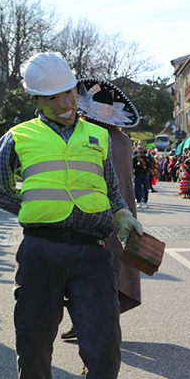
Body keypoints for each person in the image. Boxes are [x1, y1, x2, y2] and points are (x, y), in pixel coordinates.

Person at [0, 52, 141, 379]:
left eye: (69, 92)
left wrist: (121, 210)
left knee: (103, 343)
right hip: (41, 250)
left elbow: (110, 187)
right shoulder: (18, 136)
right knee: (33, 339)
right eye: (53, 97)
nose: (66, 103)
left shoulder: (99, 136)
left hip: (93, 252)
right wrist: (32, 209)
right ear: (37, 101)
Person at [60, 78, 144, 343]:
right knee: (112, 267)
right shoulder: (123, 140)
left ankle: (88, 323)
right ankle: (103, 321)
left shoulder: (86, 135)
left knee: (82, 268)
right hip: (120, 212)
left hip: (92, 211)